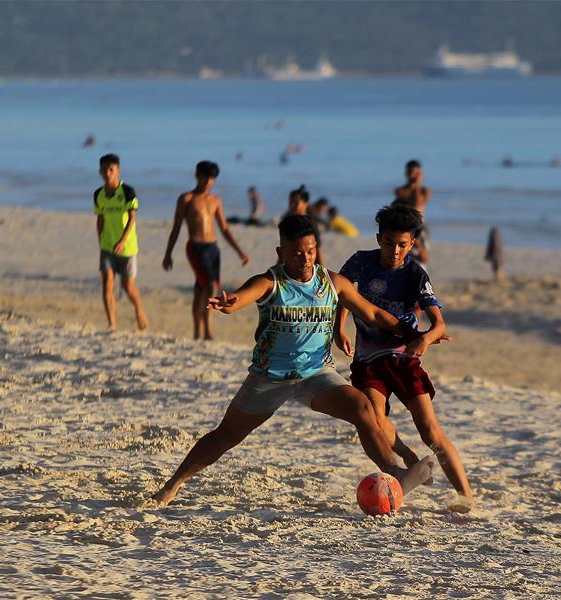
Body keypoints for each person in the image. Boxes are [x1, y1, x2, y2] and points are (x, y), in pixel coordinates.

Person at [149, 215, 439, 507]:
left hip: (316, 375)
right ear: (281, 253)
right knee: (226, 435)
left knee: (362, 407)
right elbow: (243, 297)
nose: (305, 258)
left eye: (311, 251)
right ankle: (172, 486)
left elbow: (373, 314)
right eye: (297, 252)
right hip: (270, 377)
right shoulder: (271, 282)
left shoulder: (331, 283)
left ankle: (394, 474)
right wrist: (230, 302)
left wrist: (418, 334)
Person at [335, 204, 473, 513]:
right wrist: (339, 327)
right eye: (388, 243)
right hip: (368, 361)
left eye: (402, 244)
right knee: (374, 417)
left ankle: (465, 495)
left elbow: (440, 324)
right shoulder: (361, 262)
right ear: (378, 238)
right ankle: (407, 456)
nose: (394, 250)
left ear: (412, 243)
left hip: (403, 358)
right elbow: (343, 293)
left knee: (430, 429)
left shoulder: (415, 274)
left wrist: (424, 339)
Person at [162, 161, 249, 340]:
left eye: (212, 179)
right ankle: (207, 330)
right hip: (195, 247)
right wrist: (168, 254)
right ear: (197, 177)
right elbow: (176, 228)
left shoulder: (215, 200)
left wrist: (239, 251)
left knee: (200, 289)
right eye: (205, 178)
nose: (208, 182)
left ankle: (196, 332)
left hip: (213, 249)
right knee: (211, 286)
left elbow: (224, 228)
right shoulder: (186, 199)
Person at [93, 154, 148, 332]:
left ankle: (139, 309)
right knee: (107, 282)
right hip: (107, 246)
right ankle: (112, 324)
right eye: (105, 170)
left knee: (128, 287)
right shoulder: (98, 195)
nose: (108, 174)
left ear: (118, 171)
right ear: (100, 172)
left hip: (127, 248)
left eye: (112, 170)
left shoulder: (127, 192)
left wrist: (123, 241)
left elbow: (132, 219)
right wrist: (101, 240)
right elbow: (100, 218)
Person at [393, 160, 431, 265]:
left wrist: (417, 185)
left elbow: (418, 205)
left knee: (422, 258)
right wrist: (416, 184)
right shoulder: (401, 191)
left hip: (421, 226)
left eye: (416, 172)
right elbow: (414, 207)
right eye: (411, 172)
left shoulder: (424, 191)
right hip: (407, 224)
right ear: (406, 173)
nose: (413, 176)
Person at [281, 185, 324, 265]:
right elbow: (283, 249)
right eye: (291, 202)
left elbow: (317, 250)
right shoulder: (288, 223)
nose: (292, 206)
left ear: (305, 203)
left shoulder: (310, 225)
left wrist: (322, 273)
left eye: (296, 203)